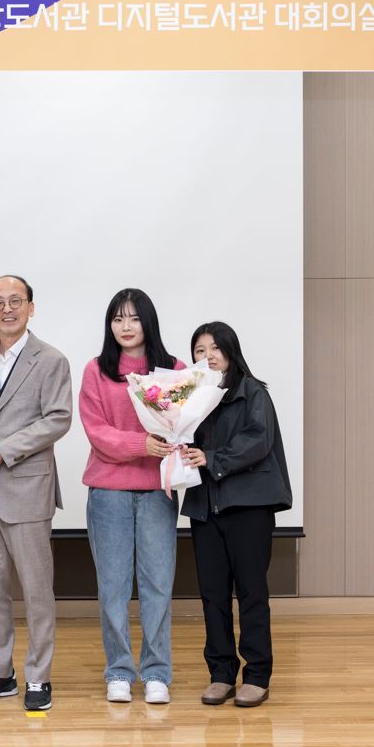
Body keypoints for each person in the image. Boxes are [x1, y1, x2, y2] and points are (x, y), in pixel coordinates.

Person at [0, 274, 72, 711]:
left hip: (27, 486)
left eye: (16, 301)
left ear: (31, 307)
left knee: (36, 589)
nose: (7, 309)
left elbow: (57, 419)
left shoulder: (52, 359)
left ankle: (39, 677)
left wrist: (4, 450)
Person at [79, 288, 185, 705]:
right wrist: (142, 444)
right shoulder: (96, 371)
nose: (125, 326)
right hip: (108, 492)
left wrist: (172, 440)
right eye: (118, 318)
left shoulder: (174, 370)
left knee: (158, 585)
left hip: (158, 491)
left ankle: (156, 672)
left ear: (148, 322)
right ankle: (119, 672)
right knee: (113, 587)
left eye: (134, 318)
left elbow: (184, 425)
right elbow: (97, 432)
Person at [179, 321, 293, 708]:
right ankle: (221, 674)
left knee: (251, 593)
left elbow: (257, 441)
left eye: (215, 348)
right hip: (206, 507)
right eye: (199, 350)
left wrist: (211, 458)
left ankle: (257, 675)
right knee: (212, 595)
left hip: (248, 507)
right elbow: (183, 444)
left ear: (231, 351)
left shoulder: (252, 392)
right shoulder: (192, 397)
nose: (207, 356)